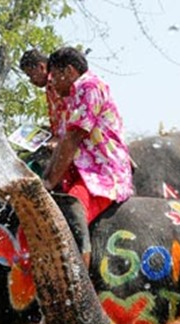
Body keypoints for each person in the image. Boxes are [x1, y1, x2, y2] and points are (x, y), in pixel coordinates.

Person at [43, 46, 134, 266]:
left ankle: (76, 282)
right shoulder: (73, 96)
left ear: (70, 71)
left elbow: (73, 138)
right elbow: (65, 141)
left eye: (55, 76)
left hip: (101, 173)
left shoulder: (89, 87)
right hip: (82, 170)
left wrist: (47, 181)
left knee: (70, 213)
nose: (52, 82)